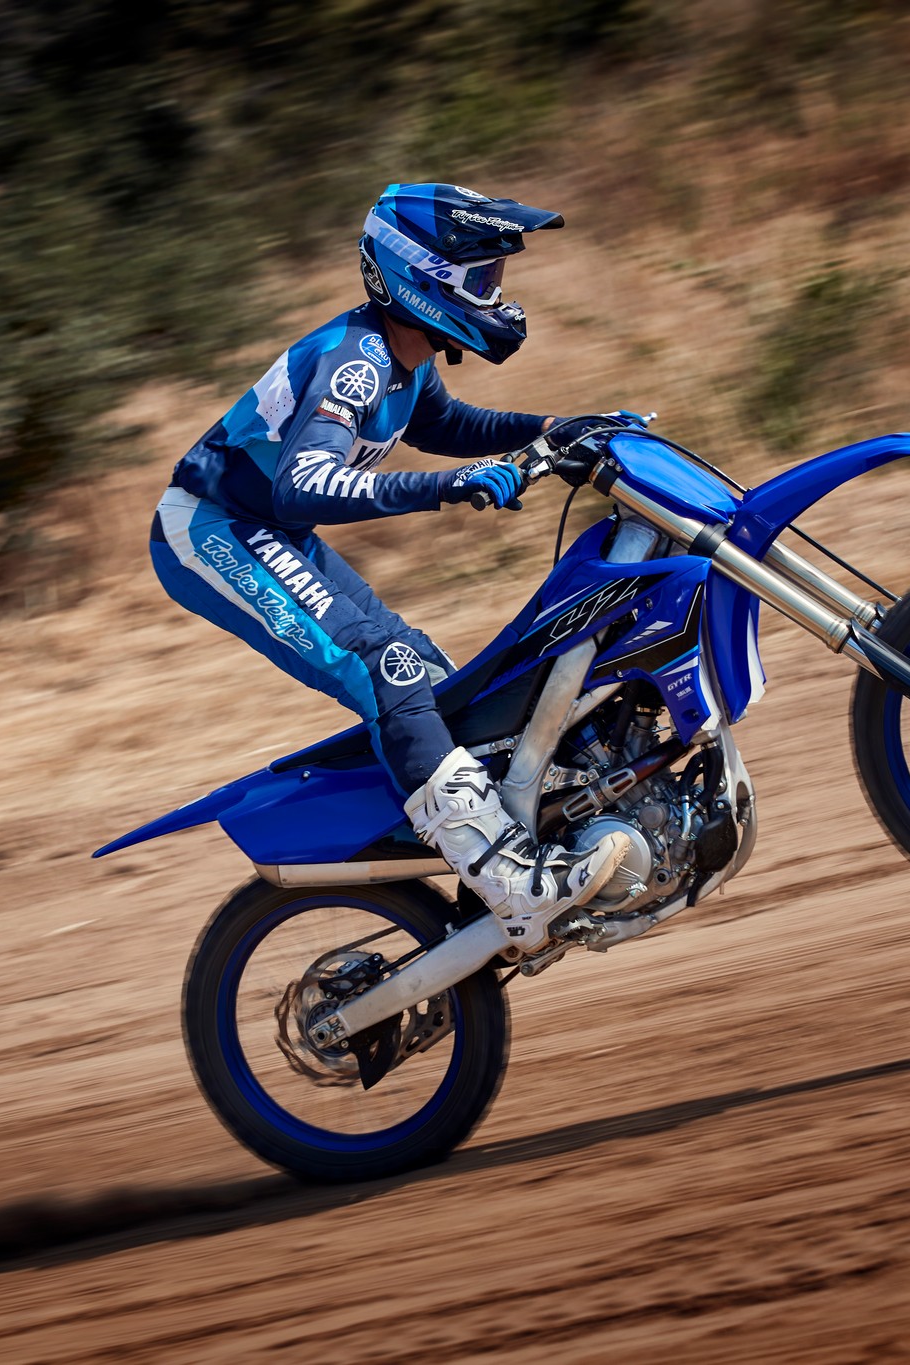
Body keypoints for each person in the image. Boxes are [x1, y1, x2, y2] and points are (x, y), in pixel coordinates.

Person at [150, 182, 634, 951]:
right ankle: (509, 883)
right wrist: (446, 487)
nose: (495, 295)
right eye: (481, 279)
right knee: (386, 669)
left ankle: (478, 836)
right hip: (214, 530)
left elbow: (444, 424)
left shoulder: (404, 357)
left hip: (269, 529)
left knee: (428, 672)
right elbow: (303, 482)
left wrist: (554, 427)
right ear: (420, 279)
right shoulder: (357, 360)